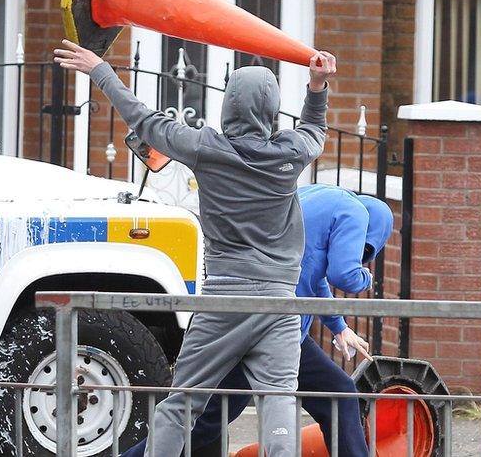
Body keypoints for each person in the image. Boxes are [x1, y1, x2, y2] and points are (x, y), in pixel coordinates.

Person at [54, 40, 335, 457]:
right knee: (278, 399)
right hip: (279, 303)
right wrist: (317, 88)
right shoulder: (289, 153)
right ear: (272, 111)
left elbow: (143, 120)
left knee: (182, 401)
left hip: (224, 298)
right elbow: (315, 131)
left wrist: (101, 71)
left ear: (229, 107)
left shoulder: (206, 148)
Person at [123, 185, 394, 457]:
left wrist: (339, 327)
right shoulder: (356, 213)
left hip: (273, 325)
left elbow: (314, 277)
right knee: (208, 420)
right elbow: (343, 274)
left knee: (339, 395)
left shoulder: (321, 197)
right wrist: (366, 278)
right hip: (270, 331)